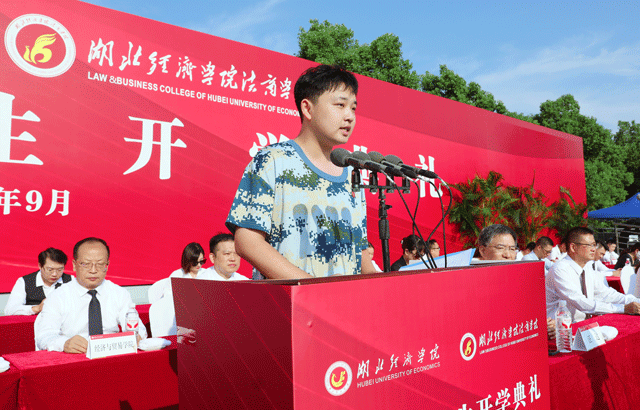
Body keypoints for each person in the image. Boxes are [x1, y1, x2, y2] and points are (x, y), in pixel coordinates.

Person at [226, 64, 374, 279]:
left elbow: (359, 250)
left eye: (353, 108)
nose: (349, 116)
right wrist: (310, 289)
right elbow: (247, 241)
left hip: (344, 299)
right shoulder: (273, 160)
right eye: (340, 105)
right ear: (307, 109)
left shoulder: (352, 173)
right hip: (291, 299)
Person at [35, 237, 147, 353]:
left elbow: (138, 329)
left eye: (100, 264)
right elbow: (44, 336)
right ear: (74, 265)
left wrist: (137, 336)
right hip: (75, 356)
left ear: (107, 265)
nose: (93, 270)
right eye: (86, 264)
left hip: (111, 354)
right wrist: (64, 343)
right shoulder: (57, 296)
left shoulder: (119, 293)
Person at [545, 227, 640, 323]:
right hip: (561, 327)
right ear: (573, 247)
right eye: (589, 245)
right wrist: (623, 308)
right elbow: (581, 302)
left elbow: (605, 294)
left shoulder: (587, 268)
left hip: (584, 323)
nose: (594, 249)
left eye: (594, 245)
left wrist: (635, 301)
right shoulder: (560, 269)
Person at [4, 248, 73, 315]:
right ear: (40, 266)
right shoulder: (24, 282)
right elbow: (9, 310)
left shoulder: (71, 280)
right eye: (50, 270)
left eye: (59, 270)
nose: (54, 274)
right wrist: (37, 308)